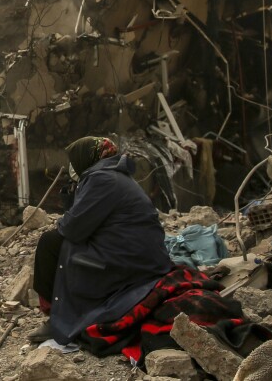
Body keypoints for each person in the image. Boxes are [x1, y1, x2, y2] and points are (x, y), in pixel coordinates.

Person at [29, 136, 173, 344]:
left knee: (50, 243)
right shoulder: (113, 175)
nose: (71, 166)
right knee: (62, 244)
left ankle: (59, 318)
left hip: (129, 258)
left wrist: (67, 216)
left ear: (86, 158)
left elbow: (72, 228)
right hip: (141, 253)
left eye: (74, 160)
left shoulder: (102, 179)